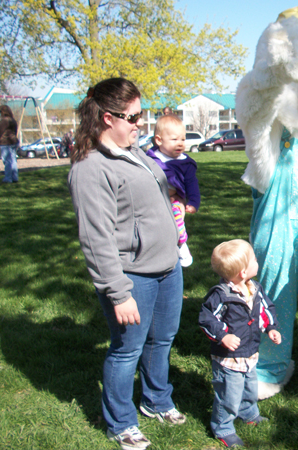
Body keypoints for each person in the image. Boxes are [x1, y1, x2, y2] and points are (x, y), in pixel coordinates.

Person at [68, 78, 186, 450]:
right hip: (132, 277)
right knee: (126, 351)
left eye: (141, 115)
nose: (140, 123)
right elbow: (96, 238)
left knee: (162, 340)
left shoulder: (132, 150)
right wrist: (119, 294)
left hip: (167, 268)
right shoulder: (90, 169)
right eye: (133, 117)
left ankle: (156, 400)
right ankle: (120, 423)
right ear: (107, 117)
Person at [199, 239, 282, 448]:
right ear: (242, 272)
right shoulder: (221, 296)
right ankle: (223, 426)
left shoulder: (254, 288)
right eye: (253, 258)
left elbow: (266, 308)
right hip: (228, 358)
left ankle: (249, 413)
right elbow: (206, 319)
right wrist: (222, 336)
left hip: (250, 351)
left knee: (249, 387)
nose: (257, 260)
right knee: (229, 394)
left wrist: (271, 327)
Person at [146, 114, 200, 267]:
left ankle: (182, 244)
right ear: (158, 140)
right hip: (153, 199)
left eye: (183, 139)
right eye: (174, 139)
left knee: (176, 219)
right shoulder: (150, 158)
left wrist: (194, 202)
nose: (180, 144)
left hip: (174, 200)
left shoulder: (186, 163)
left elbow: (192, 184)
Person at [0, 105, 19, 183]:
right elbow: (15, 132)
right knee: (13, 160)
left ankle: (8, 178)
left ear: (3, 112)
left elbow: (0, 132)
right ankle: (15, 177)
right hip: (14, 141)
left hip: (5, 142)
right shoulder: (13, 120)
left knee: (7, 161)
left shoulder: (4, 121)